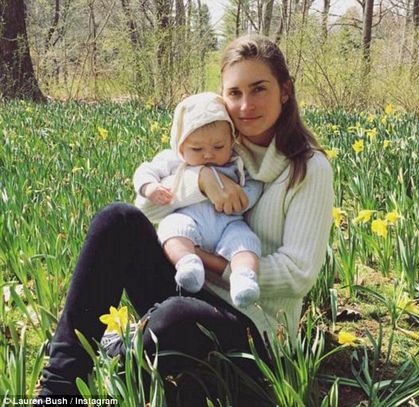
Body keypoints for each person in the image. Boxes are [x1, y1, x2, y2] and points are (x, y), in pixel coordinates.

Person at [38, 34, 333, 402]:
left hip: (253, 325)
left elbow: (298, 274)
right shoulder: (217, 141)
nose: (245, 105)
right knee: (117, 219)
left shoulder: (308, 167)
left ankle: (124, 348)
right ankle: (60, 388)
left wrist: (210, 262)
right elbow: (145, 210)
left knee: (176, 318)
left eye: (259, 89)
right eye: (235, 92)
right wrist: (201, 179)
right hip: (186, 283)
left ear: (285, 91)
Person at [134, 92, 262, 308]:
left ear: (231, 140)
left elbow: (254, 182)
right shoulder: (172, 160)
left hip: (229, 222)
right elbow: (145, 170)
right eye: (197, 149)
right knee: (171, 230)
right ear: (180, 145)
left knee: (245, 243)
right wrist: (150, 188)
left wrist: (245, 198)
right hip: (188, 218)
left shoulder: (237, 161)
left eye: (218, 147)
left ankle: (244, 278)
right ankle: (187, 263)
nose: (208, 155)